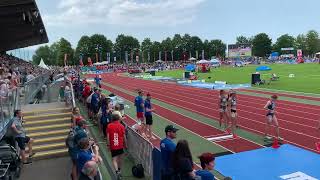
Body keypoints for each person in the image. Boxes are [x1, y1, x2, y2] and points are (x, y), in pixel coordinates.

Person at [107, 112, 126, 178]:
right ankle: (119, 170)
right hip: (120, 145)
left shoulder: (109, 125)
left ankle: (117, 171)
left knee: (114, 159)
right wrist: (125, 144)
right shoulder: (121, 126)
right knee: (120, 158)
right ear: (118, 119)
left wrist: (108, 145)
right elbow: (124, 137)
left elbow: (108, 136)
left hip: (113, 145)